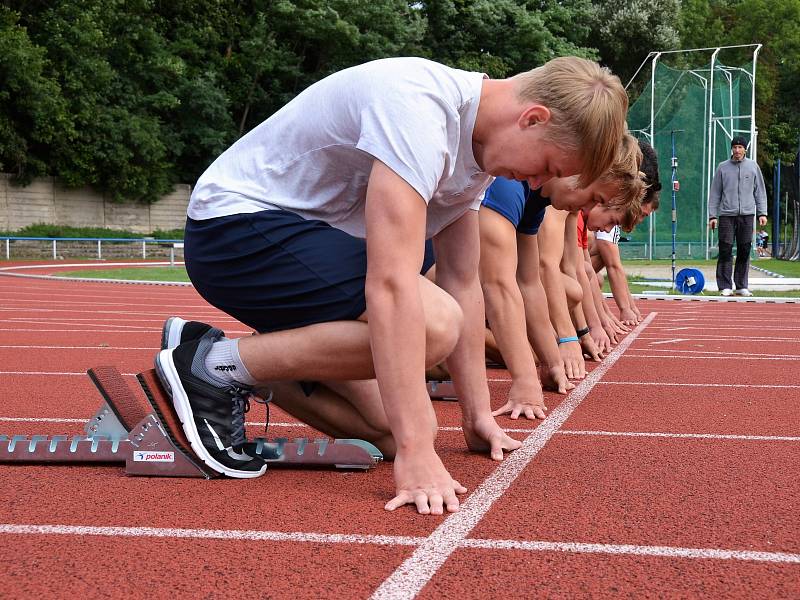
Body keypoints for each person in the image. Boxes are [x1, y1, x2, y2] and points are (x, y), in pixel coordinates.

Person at [153, 56, 629, 515]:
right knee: (434, 326)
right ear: (532, 118)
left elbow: (465, 281)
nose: (540, 183)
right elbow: (391, 284)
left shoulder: (479, 153)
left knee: (381, 427)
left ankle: (237, 357)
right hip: (235, 231)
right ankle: (212, 368)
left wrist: (475, 415)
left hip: (302, 242)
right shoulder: (420, 110)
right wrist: (418, 451)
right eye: (547, 164)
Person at [590, 139, 661, 324]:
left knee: (592, 274)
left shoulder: (606, 208)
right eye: (643, 215)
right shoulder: (609, 203)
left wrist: (626, 309)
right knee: (592, 273)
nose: (639, 220)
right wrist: (616, 313)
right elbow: (613, 267)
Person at [708, 136, 768, 296]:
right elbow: (715, 193)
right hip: (727, 215)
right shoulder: (722, 168)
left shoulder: (753, 167)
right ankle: (725, 286)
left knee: (744, 249)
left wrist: (762, 213)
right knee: (725, 249)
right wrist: (712, 216)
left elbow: (760, 192)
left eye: (740, 147)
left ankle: (741, 285)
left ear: (745, 149)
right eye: (734, 147)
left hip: (747, 215)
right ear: (731, 149)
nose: (737, 150)